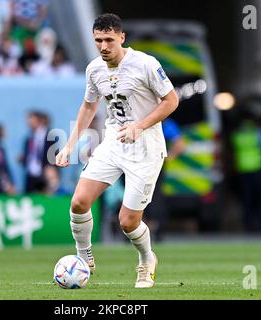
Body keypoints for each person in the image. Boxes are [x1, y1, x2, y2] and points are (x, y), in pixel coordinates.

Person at [55, 13, 179, 288]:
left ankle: (147, 259)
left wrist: (140, 125)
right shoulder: (94, 69)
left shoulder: (145, 64)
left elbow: (171, 100)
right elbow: (88, 106)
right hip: (113, 141)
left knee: (127, 221)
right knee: (78, 202)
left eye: (109, 40)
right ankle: (83, 256)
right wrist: (69, 146)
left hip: (146, 147)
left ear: (122, 38)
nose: (103, 46)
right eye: (98, 40)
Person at [145, 118, 185, 241]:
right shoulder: (165, 123)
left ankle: (148, 228)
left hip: (144, 164)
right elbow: (180, 144)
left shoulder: (161, 123)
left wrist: (168, 157)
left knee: (145, 196)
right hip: (156, 164)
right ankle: (157, 229)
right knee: (156, 196)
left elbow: (180, 145)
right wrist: (168, 157)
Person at [231, 112, 261, 231]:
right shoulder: (258, 132)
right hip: (258, 169)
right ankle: (260, 220)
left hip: (243, 170)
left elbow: (233, 149)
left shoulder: (237, 134)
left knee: (247, 198)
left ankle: (248, 223)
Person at [19, 111, 53, 193]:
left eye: (32, 120)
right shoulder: (29, 138)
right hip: (30, 174)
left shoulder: (49, 136)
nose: (30, 123)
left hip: (43, 173)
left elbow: (54, 154)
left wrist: (51, 168)